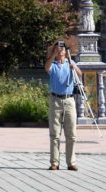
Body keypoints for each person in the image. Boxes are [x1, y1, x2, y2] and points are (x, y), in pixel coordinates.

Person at [45, 38, 82, 171]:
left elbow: (80, 74)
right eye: (58, 48)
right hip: (55, 100)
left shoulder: (70, 63)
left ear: (66, 51)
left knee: (71, 133)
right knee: (55, 134)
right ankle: (54, 162)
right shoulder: (53, 64)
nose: (60, 51)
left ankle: (71, 162)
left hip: (69, 100)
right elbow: (47, 68)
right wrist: (54, 54)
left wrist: (74, 66)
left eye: (62, 48)